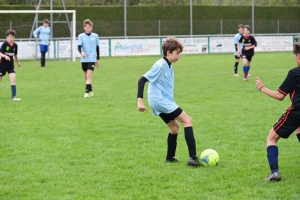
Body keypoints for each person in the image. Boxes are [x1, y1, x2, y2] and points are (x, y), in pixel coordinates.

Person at [137, 37, 200, 167]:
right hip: (160, 100)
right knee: (187, 120)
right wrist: (140, 102)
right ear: (168, 52)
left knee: (174, 127)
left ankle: (170, 157)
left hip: (160, 100)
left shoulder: (168, 66)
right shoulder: (160, 65)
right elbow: (141, 80)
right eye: (177, 53)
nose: (179, 56)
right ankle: (193, 158)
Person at [255, 42, 300, 182]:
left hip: (297, 112)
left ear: (298, 56)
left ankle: (275, 173)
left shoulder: (294, 73)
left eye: (294, 57)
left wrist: (262, 87)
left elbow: (280, 96)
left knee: (271, 138)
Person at [77, 19, 100, 98]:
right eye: (87, 27)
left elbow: (97, 48)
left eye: (90, 27)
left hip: (92, 59)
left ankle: (86, 92)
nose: (89, 28)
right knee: (86, 76)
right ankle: (90, 90)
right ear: (84, 28)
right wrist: (81, 52)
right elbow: (79, 47)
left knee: (89, 76)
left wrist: (98, 59)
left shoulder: (95, 36)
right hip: (84, 59)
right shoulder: (81, 36)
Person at [0, 29, 21, 100]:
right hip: (2, 65)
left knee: (13, 79)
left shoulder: (15, 45)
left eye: (13, 37)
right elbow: (0, 53)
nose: (12, 38)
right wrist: (5, 56)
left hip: (10, 66)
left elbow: (15, 54)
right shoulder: (4, 44)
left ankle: (14, 97)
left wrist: (18, 62)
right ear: (7, 37)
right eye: (10, 37)